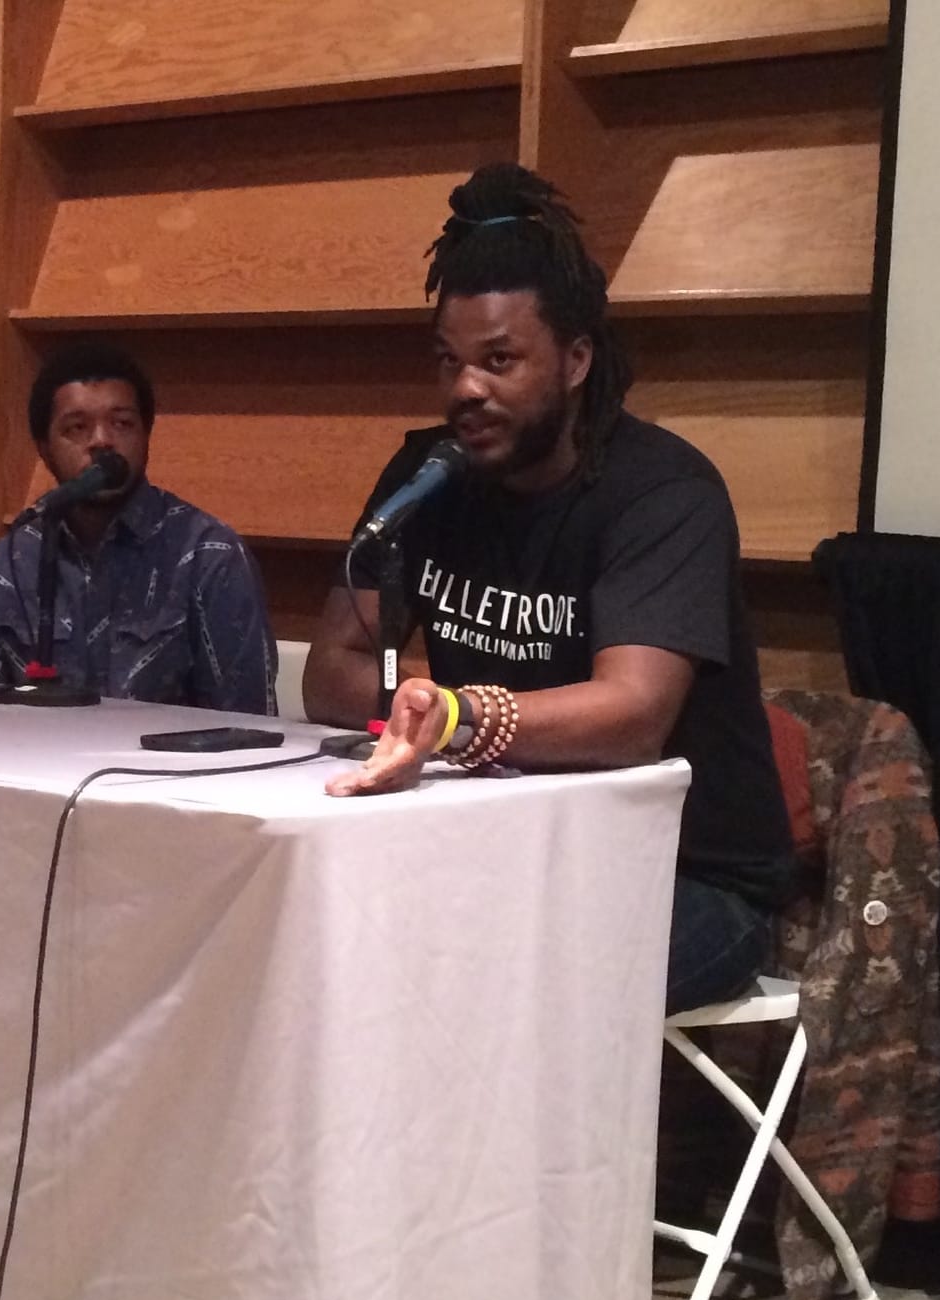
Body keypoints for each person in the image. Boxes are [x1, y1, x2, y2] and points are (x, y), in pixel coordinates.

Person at [301, 163, 796, 1013]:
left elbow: (632, 714)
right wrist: (416, 709)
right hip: (499, 844)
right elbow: (330, 670)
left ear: (574, 360)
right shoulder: (429, 477)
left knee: (470, 989)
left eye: (500, 360)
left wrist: (451, 717)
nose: (467, 389)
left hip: (681, 873)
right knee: (314, 937)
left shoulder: (663, 494)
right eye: (449, 362)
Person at [0, 342, 276, 712]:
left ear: (147, 436)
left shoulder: (208, 557)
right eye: (77, 427)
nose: (102, 441)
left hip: (168, 767)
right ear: (44, 449)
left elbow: (249, 726)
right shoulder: (9, 566)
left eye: (122, 423)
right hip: (33, 763)